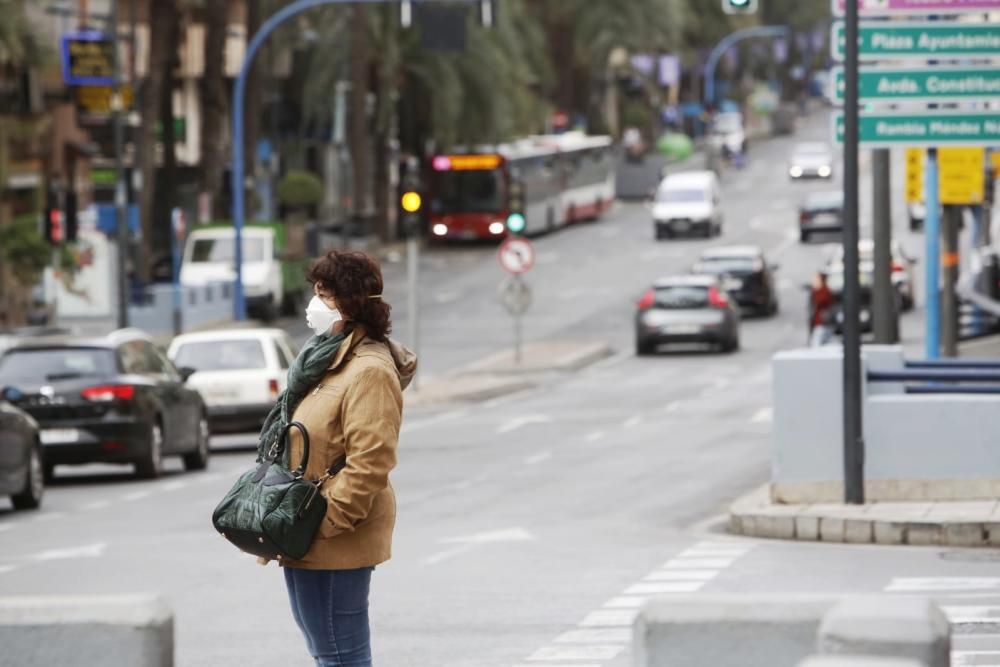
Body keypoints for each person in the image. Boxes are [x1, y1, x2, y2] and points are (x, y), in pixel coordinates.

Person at [256, 250, 416, 666]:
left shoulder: (369, 371)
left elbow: (371, 462)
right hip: (303, 530)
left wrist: (324, 522)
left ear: (350, 302)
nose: (314, 303)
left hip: (331, 535)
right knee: (328, 654)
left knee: (341, 657)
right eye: (315, 291)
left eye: (324, 294)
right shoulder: (325, 362)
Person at [809, 271, 835, 347]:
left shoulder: (824, 291)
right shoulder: (821, 290)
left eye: (816, 279)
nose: (814, 281)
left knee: (816, 344)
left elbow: (820, 302)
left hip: (822, 323)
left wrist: (816, 290)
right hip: (821, 323)